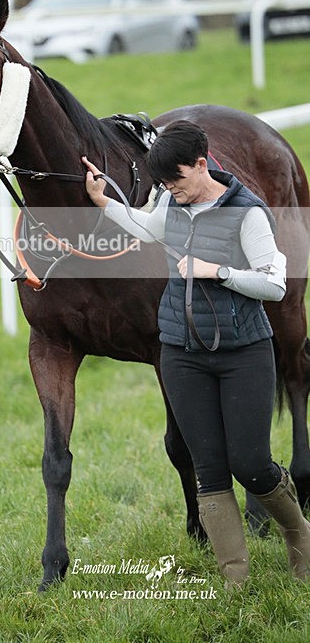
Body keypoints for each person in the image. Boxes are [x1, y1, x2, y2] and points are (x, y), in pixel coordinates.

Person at [82, 120, 310, 586]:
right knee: (208, 468)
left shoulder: (248, 213)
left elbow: (273, 284)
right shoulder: (170, 200)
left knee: (250, 462)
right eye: (163, 184)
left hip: (243, 352)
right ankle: (235, 581)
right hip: (181, 351)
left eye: (177, 181)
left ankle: (300, 536)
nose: (170, 191)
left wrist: (216, 270)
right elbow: (149, 230)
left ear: (201, 165)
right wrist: (106, 202)